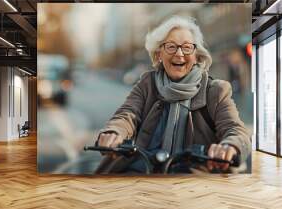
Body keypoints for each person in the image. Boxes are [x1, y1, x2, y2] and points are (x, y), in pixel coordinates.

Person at [95, 16, 251, 173]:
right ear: (159, 55)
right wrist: (114, 132)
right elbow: (127, 114)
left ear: (196, 55)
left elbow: (235, 129)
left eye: (187, 47)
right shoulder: (147, 83)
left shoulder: (216, 90)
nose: (179, 53)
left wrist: (230, 146)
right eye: (171, 47)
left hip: (193, 181)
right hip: (144, 172)